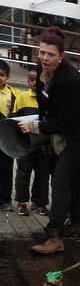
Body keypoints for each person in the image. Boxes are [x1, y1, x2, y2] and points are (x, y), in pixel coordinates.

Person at [18, 27, 80, 254]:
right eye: (42, 53)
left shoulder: (72, 80)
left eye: (50, 54)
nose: (45, 58)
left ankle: (55, 236)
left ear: (61, 56)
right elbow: (45, 105)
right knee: (70, 181)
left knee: (60, 182)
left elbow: (68, 122)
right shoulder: (41, 71)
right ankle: (79, 223)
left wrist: (36, 127)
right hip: (62, 134)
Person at [13, 69, 50, 216]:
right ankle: (22, 202)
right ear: (28, 81)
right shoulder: (22, 97)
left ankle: (39, 202)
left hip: (42, 144)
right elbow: (14, 119)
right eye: (31, 80)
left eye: (37, 80)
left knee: (43, 174)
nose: (34, 83)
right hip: (25, 144)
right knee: (23, 173)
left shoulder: (47, 99)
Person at [0, 58, 20, 211]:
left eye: (2, 75)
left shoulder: (15, 94)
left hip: (5, 139)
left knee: (6, 168)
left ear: (7, 77)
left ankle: (5, 199)